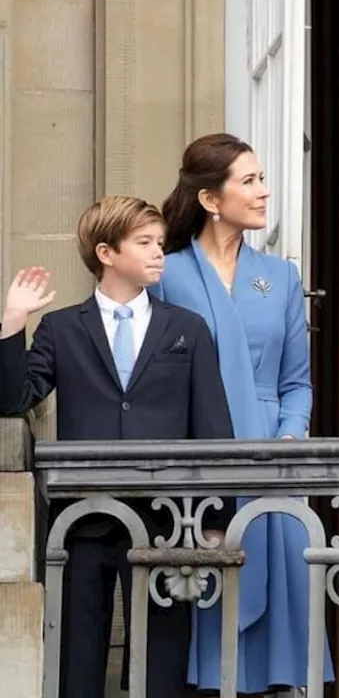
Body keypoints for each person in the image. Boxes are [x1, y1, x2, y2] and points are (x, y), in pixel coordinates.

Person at [0, 196, 233, 698]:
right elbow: (14, 398)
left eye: (160, 244)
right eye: (144, 243)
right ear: (106, 252)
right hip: (82, 521)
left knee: (162, 664)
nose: (158, 254)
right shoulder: (62, 327)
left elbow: (213, 426)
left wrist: (217, 520)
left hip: (170, 520)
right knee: (77, 660)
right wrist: (14, 322)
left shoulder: (186, 329)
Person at [152, 133, 334, 693]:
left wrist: (289, 439)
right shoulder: (166, 273)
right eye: (250, 181)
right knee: (208, 595)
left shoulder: (279, 276)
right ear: (211, 198)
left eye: (262, 179)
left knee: (282, 605)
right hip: (198, 458)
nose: (264, 191)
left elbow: (297, 383)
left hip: (272, 462)